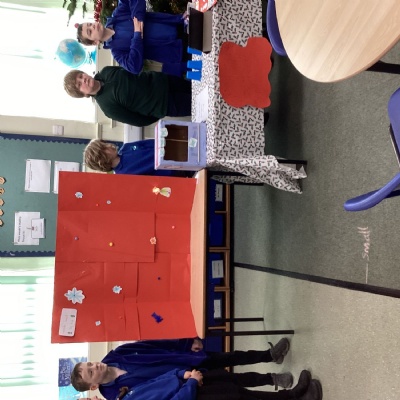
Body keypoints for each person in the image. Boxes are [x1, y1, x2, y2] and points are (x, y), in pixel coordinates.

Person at [71, 338, 293, 399]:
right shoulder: (116, 395)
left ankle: (269, 355)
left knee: (230, 356)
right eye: (91, 371)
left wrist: (185, 344)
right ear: (94, 385)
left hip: (185, 360)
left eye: (89, 363)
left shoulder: (117, 354)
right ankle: (273, 379)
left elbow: (154, 344)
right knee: (233, 381)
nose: (95, 365)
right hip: (190, 382)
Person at [76, 0, 188, 77]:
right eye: (90, 31)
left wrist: (138, 19)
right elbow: (134, 67)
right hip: (178, 50)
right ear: (95, 42)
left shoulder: (118, 15)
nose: (93, 26)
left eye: (90, 24)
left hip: (180, 24)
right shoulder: (117, 53)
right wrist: (137, 35)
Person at [63, 66, 191, 127]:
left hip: (165, 81)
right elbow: (139, 121)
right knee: (200, 105)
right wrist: (156, 110)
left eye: (81, 76)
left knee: (199, 87)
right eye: (79, 84)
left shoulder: (106, 71)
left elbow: (132, 70)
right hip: (166, 104)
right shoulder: (107, 108)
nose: (83, 80)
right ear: (83, 94)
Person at [81, 369, 322, 400]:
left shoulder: (124, 395)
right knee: (245, 399)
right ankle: (297, 397)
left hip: (193, 386)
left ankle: (292, 395)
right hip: (195, 396)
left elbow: (159, 380)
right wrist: (190, 385)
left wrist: (183, 374)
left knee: (241, 392)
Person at [83, 138, 190, 177]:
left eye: (105, 143)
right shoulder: (124, 176)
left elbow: (155, 142)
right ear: (102, 159)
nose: (109, 145)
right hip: (179, 171)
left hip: (180, 151)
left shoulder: (126, 147)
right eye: (104, 147)